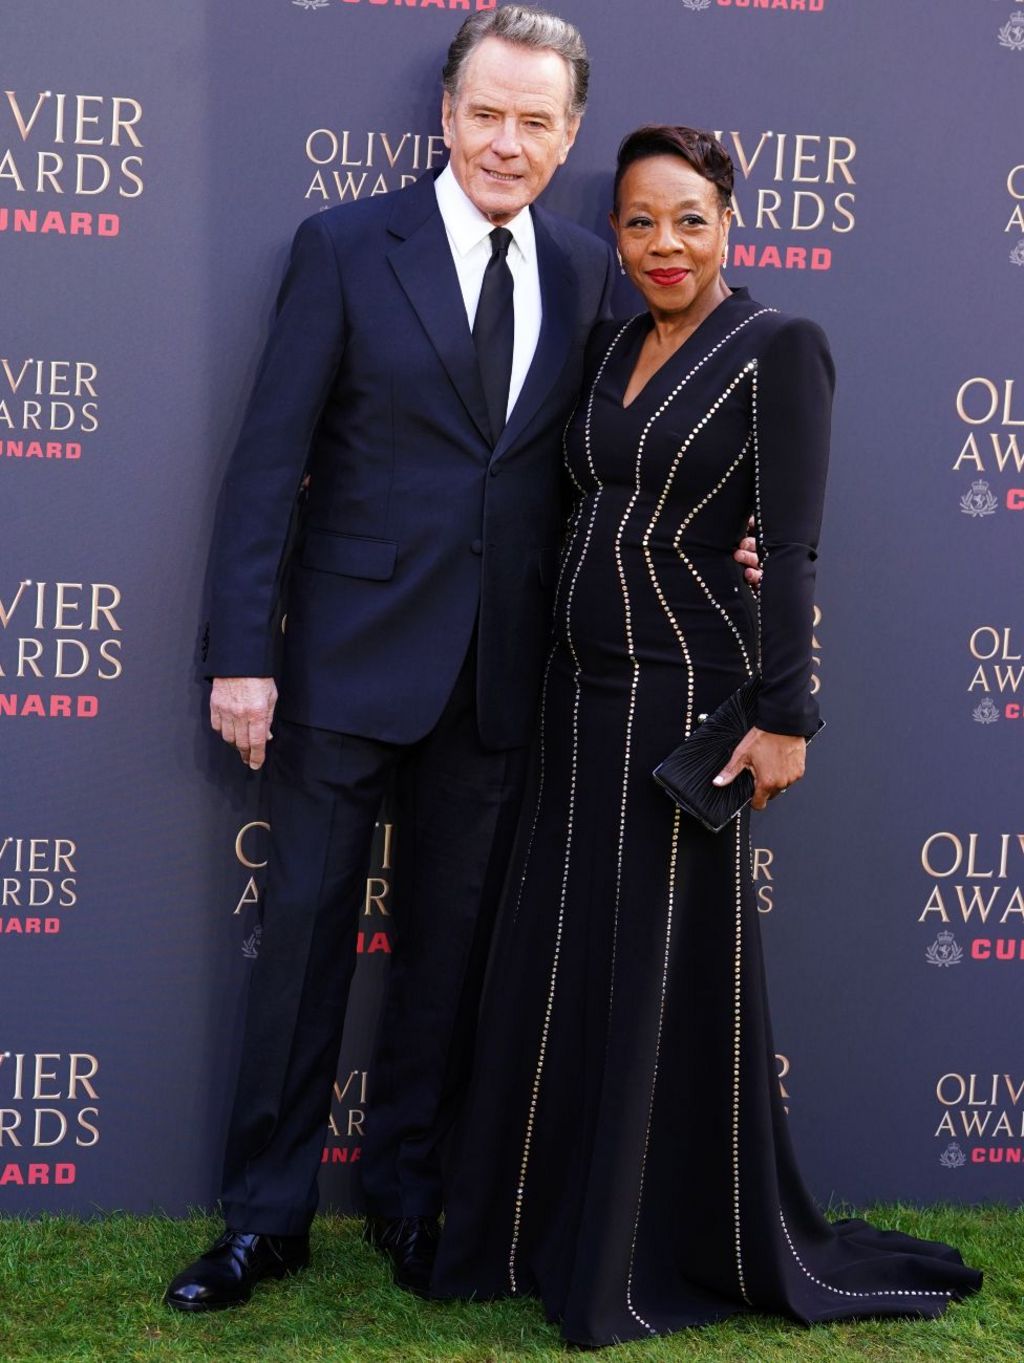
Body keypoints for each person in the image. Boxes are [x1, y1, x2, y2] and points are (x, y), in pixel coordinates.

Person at [165, 8, 760, 1314]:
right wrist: (240, 653)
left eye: (535, 121)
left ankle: (413, 1197)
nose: (507, 140)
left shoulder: (591, 271)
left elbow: (621, 465)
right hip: (337, 661)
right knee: (307, 941)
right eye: (486, 113)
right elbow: (269, 460)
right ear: (445, 117)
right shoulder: (341, 248)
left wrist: (731, 541)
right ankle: (265, 1217)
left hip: (503, 676)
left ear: (569, 137)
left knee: (451, 957)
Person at [430, 126, 982, 1347]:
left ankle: (643, 1247)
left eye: (687, 217)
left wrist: (785, 715)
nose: (663, 244)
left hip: (684, 705)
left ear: (731, 219)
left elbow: (786, 546)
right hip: (576, 698)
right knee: (564, 962)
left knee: (650, 976)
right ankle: (533, 1226)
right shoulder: (614, 342)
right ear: (614, 235)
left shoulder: (780, 345)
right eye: (637, 222)